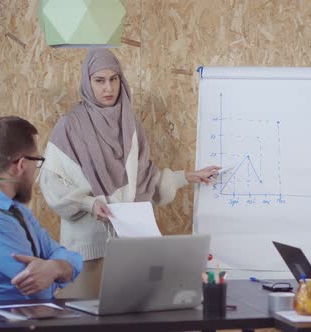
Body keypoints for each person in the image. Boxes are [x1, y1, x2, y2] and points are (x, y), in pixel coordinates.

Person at [38, 48, 219, 298]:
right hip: (86, 252)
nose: (108, 88)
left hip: (126, 249)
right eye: (99, 81)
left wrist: (187, 176)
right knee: (82, 323)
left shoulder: (130, 125)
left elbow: (146, 180)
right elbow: (52, 184)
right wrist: (91, 204)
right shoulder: (69, 127)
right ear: (87, 82)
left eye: (114, 79)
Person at [0, 116, 83, 301]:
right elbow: (40, 290)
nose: (36, 170)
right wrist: (59, 269)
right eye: (36, 161)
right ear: (21, 165)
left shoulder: (18, 211)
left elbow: (72, 258)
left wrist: (54, 268)